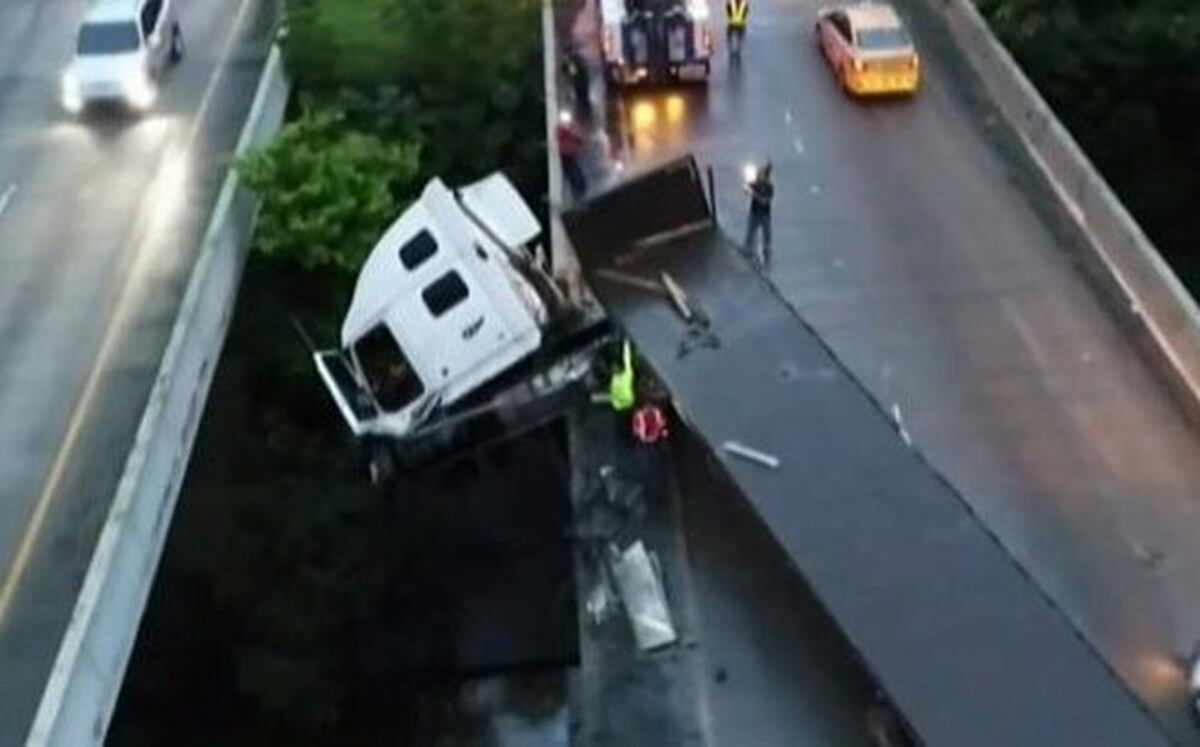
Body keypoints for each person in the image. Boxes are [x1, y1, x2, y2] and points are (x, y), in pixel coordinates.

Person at [743, 161, 774, 267]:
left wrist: (754, 195)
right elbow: (746, 187)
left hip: (764, 214)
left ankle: (766, 248)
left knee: (766, 233)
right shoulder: (756, 184)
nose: (759, 176)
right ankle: (748, 249)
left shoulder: (769, 186)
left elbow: (765, 200)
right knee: (750, 232)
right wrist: (748, 188)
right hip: (755, 213)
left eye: (761, 175)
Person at [556, 111, 587, 198]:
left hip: (571, 154)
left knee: (575, 173)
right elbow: (559, 135)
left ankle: (580, 191)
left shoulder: (572, 129)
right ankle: (577, 192)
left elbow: (580, 139)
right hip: (565, 155)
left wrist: (581, 147)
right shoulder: (561, 129)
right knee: (572, 174)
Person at [561, 47, 592, 119]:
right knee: (580, 98)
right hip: (578, 83)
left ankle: (586, 113)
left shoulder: (575, 60)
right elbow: (566, 72)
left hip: (581, 82)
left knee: (583, 97)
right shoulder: (568, 62)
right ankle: (583, 113)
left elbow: (575, 72)